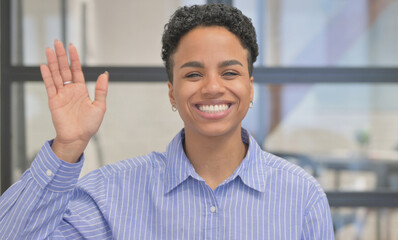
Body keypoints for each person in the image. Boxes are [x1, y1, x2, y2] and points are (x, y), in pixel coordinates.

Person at [0, 4, 334, 239]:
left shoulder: (302, 197)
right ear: (172, 92)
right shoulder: (112, 194)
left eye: (230, 72)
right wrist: (67, 147)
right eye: (193, 73)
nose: (213, 87)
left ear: (249, 87)